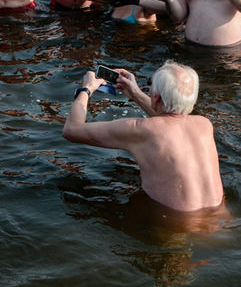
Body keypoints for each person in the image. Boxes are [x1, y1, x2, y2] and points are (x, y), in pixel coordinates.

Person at [61, 62, 223, 212]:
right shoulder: (204, 125)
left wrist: (86, 89)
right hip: (218, 219)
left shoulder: (142, 129)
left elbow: (72, 130)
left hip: (176, 224)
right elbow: (170, 118)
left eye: (151, 86)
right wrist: (136, 93)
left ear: (157, 97)